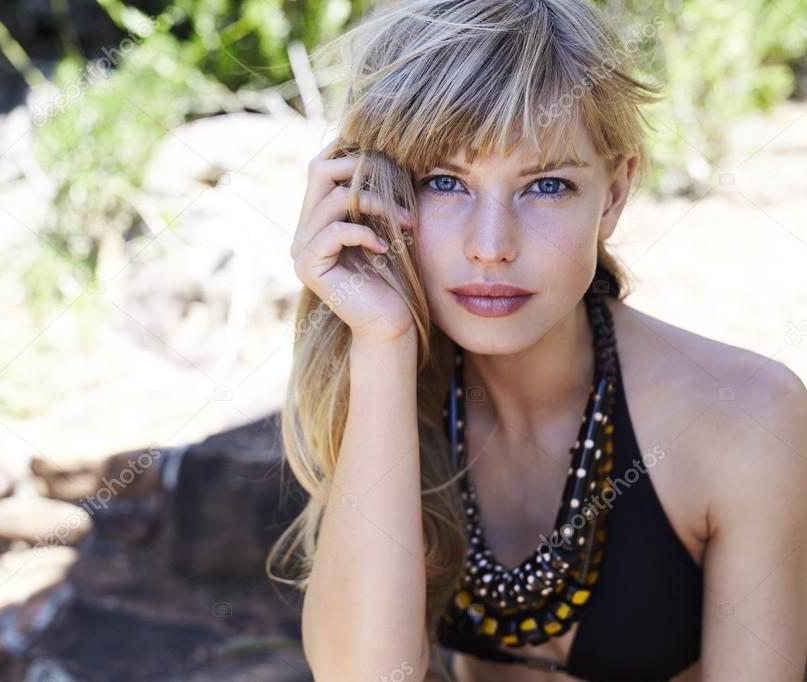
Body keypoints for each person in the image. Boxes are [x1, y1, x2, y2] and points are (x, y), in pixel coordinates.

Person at [267, 0, 807, 680]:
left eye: (545, 185)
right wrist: (381, 344)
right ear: (375, 191)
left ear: (611, 196)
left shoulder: (743, 417)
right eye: (444, 182)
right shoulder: (396, 386)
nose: (491, 247)